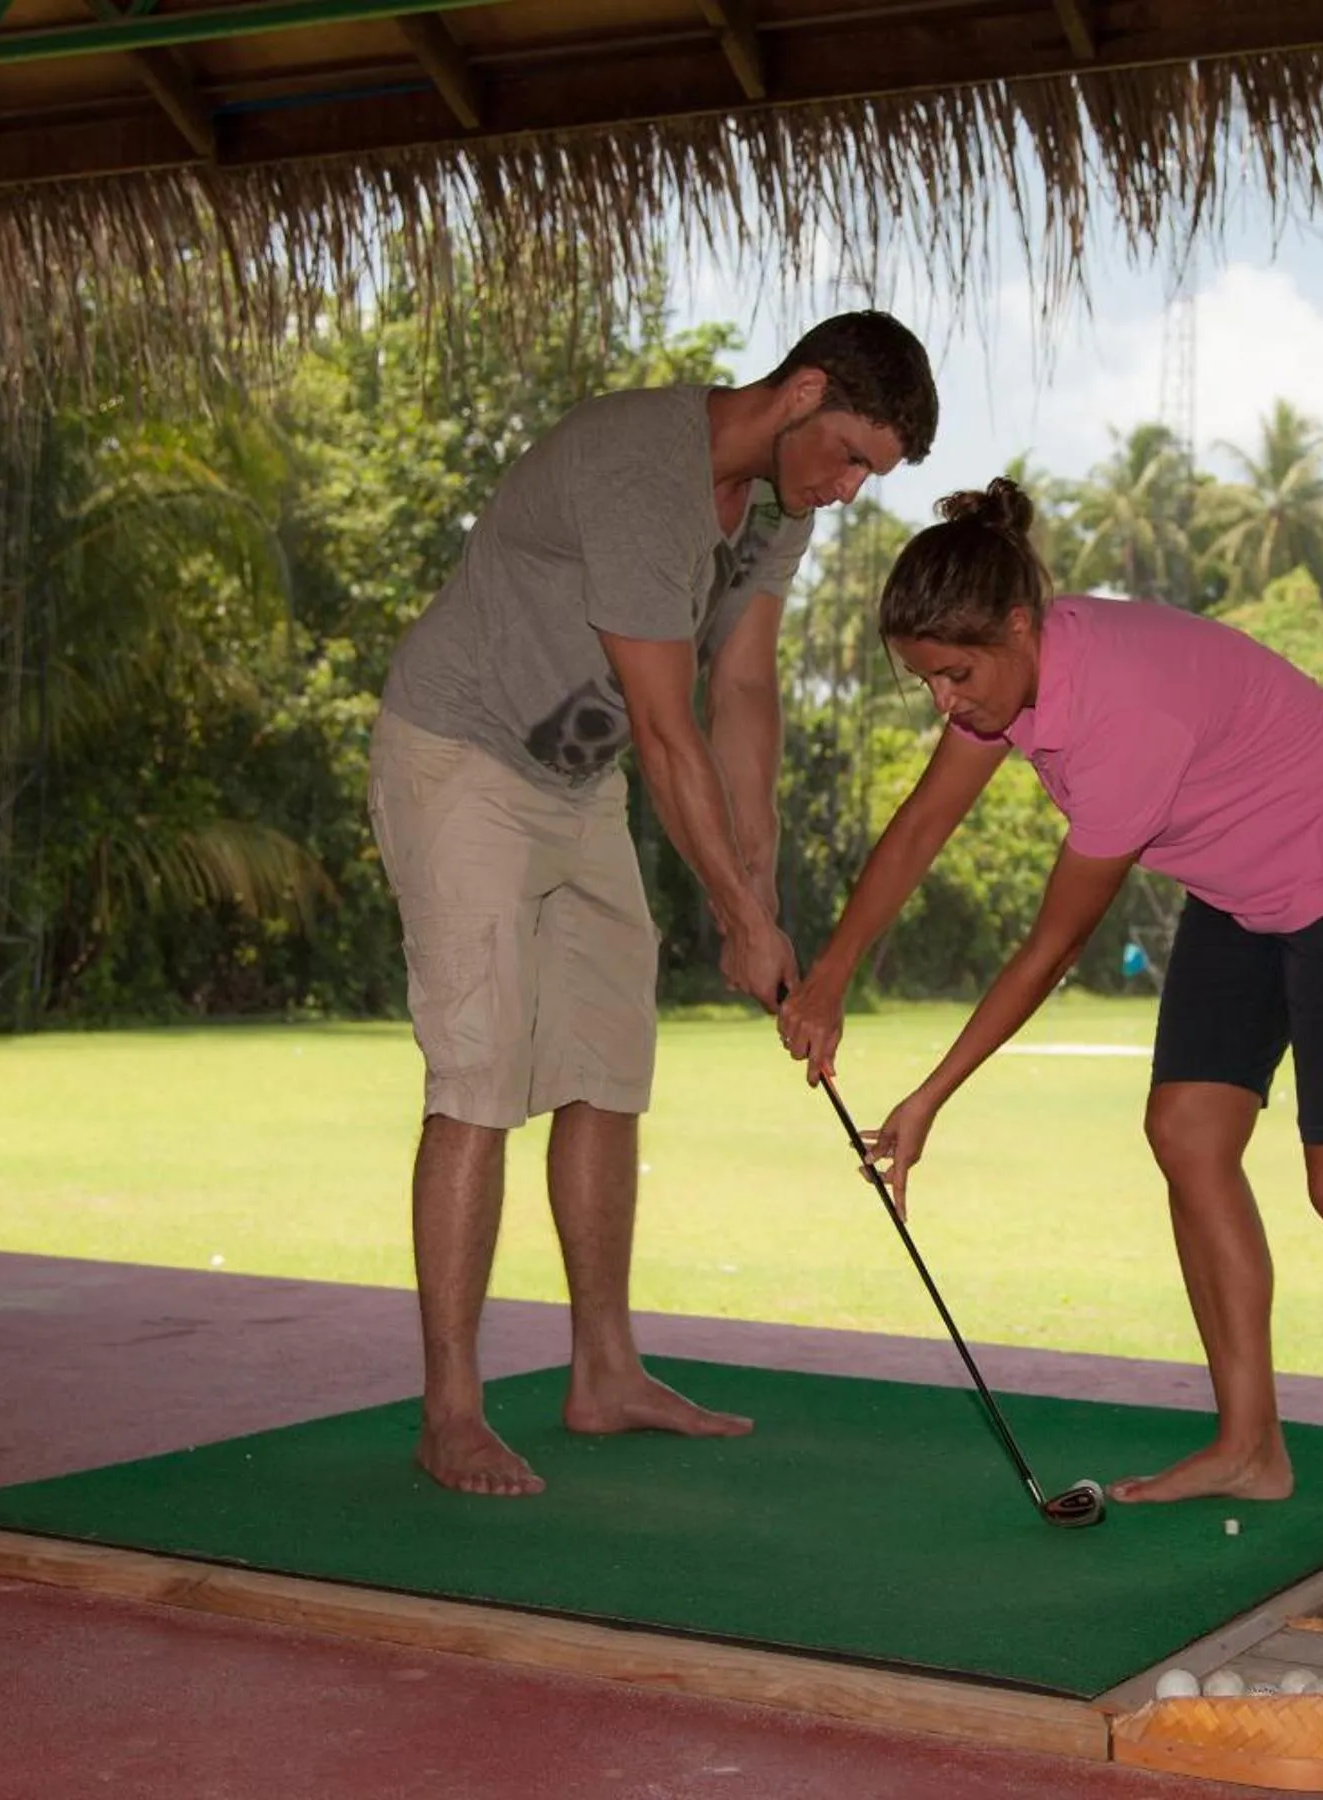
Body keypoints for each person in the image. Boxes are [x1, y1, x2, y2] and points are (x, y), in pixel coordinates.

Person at [778, 479, 1323, 1598]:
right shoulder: (1008, 686)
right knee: (1189, 1130)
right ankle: (1249, 1447)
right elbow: (920, 827)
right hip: (1244, 890)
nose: (946, 703)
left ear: (1019, 626)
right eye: (927, 682)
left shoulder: (1119, 716)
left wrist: (931, 1095)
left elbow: (1051, 949)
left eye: (957, 675)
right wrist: (834, 975)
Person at [370, 312, 938, 1496]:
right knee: (479, 1079)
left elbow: (743, 688)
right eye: (846, 456)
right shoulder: (643, 470)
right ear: (802, 392)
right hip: (463, 760)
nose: (843, 490)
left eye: (866, 476)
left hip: (578, 781)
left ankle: (605, 1373)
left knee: (608, 1068)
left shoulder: (777, 511)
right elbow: (672, 727)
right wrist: (737, 919)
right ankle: (452, 1411)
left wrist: (762, 877)